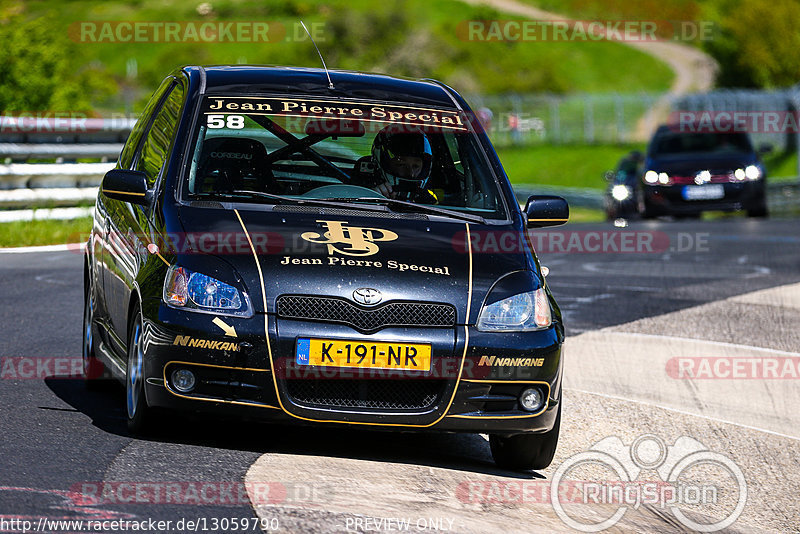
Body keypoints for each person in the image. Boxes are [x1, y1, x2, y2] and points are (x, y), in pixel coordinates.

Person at [368, 124, 437, 203]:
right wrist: (371, 199)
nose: (411, 174)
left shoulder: (431, 202)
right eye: (401, 165)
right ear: (383, 163)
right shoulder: (358, 192)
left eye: (416, 166)